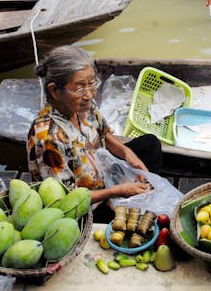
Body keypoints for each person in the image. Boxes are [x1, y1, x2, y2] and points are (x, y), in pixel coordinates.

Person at [27, 45, 162, 221]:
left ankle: (136, 193)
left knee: (150, 144)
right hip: (87, 203)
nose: (89, 94)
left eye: (92, 83)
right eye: (79, 87)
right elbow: (66, 199)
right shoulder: (47, 138)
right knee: (117, 220)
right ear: (55, 91)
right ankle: (120, 204)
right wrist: (117, 191)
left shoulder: (82, 104)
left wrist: (129, 155)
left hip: (102, 170)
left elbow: (104, 135)